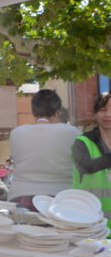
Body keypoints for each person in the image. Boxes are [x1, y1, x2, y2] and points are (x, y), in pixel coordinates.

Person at [8, 89, 80, 209]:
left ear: (33, 111)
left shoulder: (16, 133)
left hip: (20, 197)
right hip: (61, 199)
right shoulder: (73, 132)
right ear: (57, 111)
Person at [72, 92, 111, 233]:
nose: (108, 114)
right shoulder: (82, 142)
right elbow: (86, 166)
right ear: (95, 114)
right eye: (103, 109)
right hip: (90, 227)